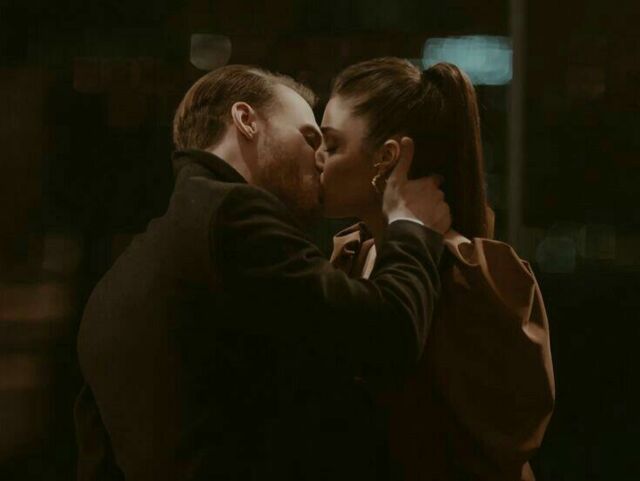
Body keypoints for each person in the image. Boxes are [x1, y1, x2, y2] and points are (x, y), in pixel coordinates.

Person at [74, 64, 452, 481]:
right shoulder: (232, 216)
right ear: (246, 120)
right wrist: (411, 223)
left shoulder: (116, 283)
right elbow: (390, 334)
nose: (321, 159)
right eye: (310, 138)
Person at [320, 58, 555, 480]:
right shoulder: (356, 254)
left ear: (386, 159)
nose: (316, 158)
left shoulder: (470, 275)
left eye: (332, 145)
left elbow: (499, 436)